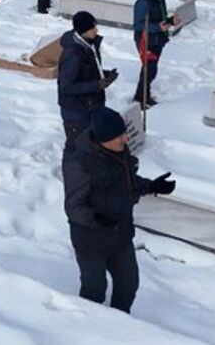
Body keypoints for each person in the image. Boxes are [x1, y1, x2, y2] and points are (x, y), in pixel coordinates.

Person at [63, 106, 175, 313]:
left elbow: (127, 182)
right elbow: (73, 206)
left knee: (129, 284)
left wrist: (151, 186)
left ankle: (119, 324)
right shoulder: (79, 164)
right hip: (91, 240)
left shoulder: (119, 152)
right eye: (118, 136)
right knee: (95, 290)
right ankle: (89, 326)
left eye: (123, 133)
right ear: (103, 139)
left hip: (120, 235)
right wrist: (96, 219)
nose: (125, 138)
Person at [56, 12, 117, 155]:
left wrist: (104, 75)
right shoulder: (73, 55)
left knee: (89, 143)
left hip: (90, 106)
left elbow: (87, 69)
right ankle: (72, 174)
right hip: (76, 111)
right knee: (75, 146)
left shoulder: (88, 43)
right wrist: (97, 85)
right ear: (83, 31)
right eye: (92, 28)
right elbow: (66, 86)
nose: (96, 30)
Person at [133, 0, 179, 106]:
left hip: (158, 39)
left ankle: (144, 95)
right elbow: (138, 25)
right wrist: (157, 27)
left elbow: (159, 18)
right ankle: (140, 97)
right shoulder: (143, 2)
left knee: (151, 69)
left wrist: (170, 21)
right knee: (149, 69)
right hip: (146, 40)